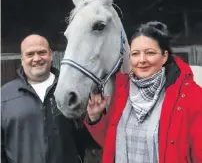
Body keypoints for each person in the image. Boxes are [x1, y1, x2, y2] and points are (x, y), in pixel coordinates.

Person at [84, 21, 202, 163]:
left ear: (164, 56)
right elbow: (112, 144)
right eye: (135, 54)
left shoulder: (191, 96)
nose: (142, 60)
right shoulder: (121, 92)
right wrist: (96, 118)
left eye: (150, 53)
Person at [1, 34, 81, 163]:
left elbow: (86, 140)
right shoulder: (5, 95)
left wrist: (94, 118)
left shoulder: (70, 89)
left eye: (42, 52)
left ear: (51, 54)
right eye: (30, 54)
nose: (37, 58)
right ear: (22, 59)